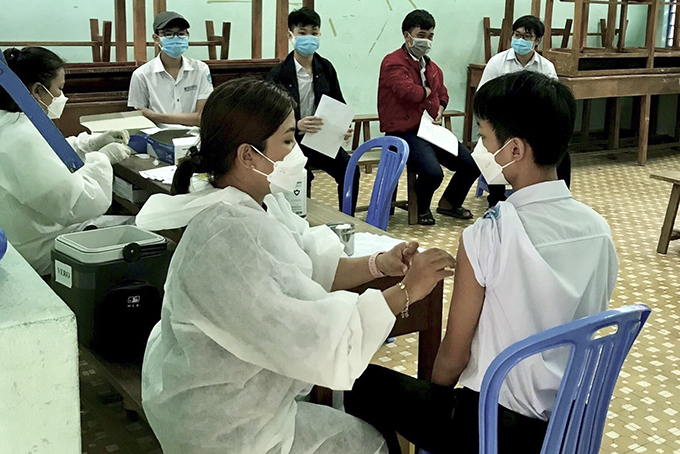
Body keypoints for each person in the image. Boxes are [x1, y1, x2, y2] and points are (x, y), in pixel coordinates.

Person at [134, 77, 455, 454]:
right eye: (287, 140)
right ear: (247, 155)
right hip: (225, 424)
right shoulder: (229, 235)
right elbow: (319, 336)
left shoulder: (261, 200)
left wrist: (379, 264)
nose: (297, 151)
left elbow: (310, 264)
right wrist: (408, 291)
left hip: (245, 395)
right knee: (370, 443)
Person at [345, 72, 619, 454]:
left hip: (492, 430)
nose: (479, 148)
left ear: (515, 151)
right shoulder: (599, 231)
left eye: (486, 139)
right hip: (571, 425)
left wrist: (435, 398)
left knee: (359, 383)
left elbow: (455, 356)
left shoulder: (490, 235)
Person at [0, 47, 132, 276]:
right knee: (143, 231)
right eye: (59, 89)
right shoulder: (23, 138)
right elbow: (81, 204)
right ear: (38, 91)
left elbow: (50, 154)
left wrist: (88, 144)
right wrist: (102, 159)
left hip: (24, 236)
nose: (62, 97)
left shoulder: (11, 121)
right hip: (37, 251)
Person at [378, 9, 480, 225]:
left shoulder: (431, 67)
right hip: (404, 130)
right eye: (421, 35)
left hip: (430, 129)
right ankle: (421, 207)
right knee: (433, 173)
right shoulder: (393, 62)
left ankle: (449, 203)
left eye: (430, 36)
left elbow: (443, 93)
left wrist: (440, 107)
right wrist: (427, 92)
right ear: (407, 35)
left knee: (471, 164)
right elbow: (409, 92)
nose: (426, 40)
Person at [266, 7, 358, 214]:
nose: (309, 38)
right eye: (302, 32)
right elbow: (270, 115)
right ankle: (299, 221)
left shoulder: (326, 68)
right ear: (291, 35)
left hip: (321, 141)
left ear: (320, 34)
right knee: (300, 176)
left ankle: (349, 219)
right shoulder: (278, 74)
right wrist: (295, 124)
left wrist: (343, 127)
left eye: (314, 32)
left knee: (350, 169)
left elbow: (339, 104)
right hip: (291, 143)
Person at [478, 15, 571, 206]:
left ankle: (558, 200)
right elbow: (483, 97)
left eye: (526, 37)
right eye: (517, 35)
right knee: (494, 151)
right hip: (502, 125)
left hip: (533, 128)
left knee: (563, 155)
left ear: (537, 41)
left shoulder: (546, 67)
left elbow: (551, 103)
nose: (520, 40)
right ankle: (496, 200)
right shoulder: (497, 63)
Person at [128, 11, 213, 127]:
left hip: (195, 137)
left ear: (187, 35)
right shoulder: (141, 75)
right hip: (158, 138)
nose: (176, 38)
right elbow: (139, 117)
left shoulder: (201, 69)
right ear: (156, 38)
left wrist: (156, 116)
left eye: (181, 33)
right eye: (168, 34)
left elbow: (201, 117)